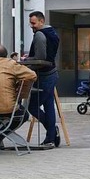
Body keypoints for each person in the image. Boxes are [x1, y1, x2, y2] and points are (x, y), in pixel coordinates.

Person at [27, 11, 61, 148]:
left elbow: (40, 58)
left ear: (41, 21)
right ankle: (51, 137)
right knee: (48, 106)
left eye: (33, 23)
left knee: (33, 107)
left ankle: (52, 133)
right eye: (30, 23)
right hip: (51, 73)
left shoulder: (40, 35)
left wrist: (26, 60)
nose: (31, 26)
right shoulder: (52, 33)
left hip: (43, 75)